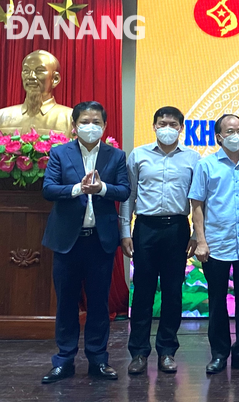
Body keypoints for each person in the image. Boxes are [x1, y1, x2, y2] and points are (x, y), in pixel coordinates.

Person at [41, 101, 130, 383]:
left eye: (96, 122)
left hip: (99, 242)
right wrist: (79, 188)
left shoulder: (115, 156)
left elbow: (124, 190)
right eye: (85, 122)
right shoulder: (59, 153)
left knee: (99, 304)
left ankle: (98, 360)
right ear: (74, 126)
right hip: (68, 241)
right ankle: (64, 360)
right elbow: (49, 189)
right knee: (66, 303)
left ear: (104, 126)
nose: (90, 127)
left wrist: (101, 188)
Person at [120, 106, 200, 375]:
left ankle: (167, 351)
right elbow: (129, 196)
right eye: (162, 123)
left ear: (181, 128)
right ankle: (139, 353)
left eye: (173, 124)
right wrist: (125, 232)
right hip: (145, 228)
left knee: (173, 293)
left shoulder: (193, 158)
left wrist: (196, 235)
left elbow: (198, 200)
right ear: (154, 126)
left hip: (177, 228)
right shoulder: (139, 155)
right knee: (142, 292)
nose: (168, 128)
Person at [189, 114, 239, 374]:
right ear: (219, 136)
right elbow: (197, 205)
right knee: (217, 301)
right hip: (215, 245)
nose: (236, 135)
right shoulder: (206, 165)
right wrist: (200, 240)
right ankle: (219, 354)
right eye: (230, 131)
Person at [0, 50, 72, 136]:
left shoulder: (70, 118)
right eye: (26, 71)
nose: (31, 76)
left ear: (55, 79)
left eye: (39, 71)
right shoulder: (2, 116)